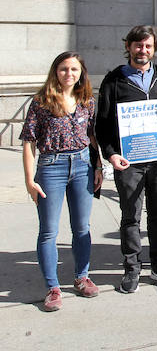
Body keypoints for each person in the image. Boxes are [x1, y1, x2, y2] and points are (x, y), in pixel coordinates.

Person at [96, 26, 157, 294]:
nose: (143, 51)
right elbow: (102, 124)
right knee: (130, 216)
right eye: (138, 45)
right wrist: (111, 154)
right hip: (128, 163)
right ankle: (132, 269)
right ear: (129, 47)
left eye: (148, 46)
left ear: (154, 49)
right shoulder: (114, 80)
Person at [21, 52, 102, 311]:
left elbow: (91, 136)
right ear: (56, 71)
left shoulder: (86, 100)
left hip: (82, 166)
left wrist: (98, 165)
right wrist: (29, 181)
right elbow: (28, 143)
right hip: (51, 167)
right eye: (64, 69)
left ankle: (82, 276)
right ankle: (53, 288)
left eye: (74, 69)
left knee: (81, 227)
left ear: (81, 73)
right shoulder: (41, 102)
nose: (69, 74)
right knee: (49, 231)